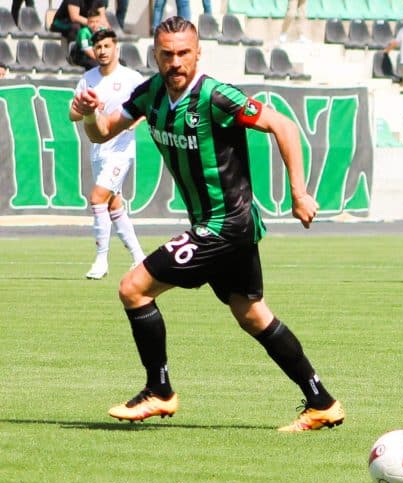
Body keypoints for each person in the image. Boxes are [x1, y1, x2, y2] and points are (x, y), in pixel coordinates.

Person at [72, 16, 345, 432]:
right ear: (155, 55)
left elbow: (283, 125)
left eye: (184, 53)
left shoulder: (216, 97)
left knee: (133, 288)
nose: (176, 62)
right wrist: (88, 115)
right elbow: (104, 130)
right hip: (219, 225)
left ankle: (159, 391)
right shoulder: (150, 95)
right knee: (252, 314)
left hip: (226, 224)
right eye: (167, 54)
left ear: (198, 53)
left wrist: (299, 192)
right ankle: (321, 402)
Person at [69, 27, 147, 279]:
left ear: (116, 48)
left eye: (107, 46)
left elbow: (149, 102)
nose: (102, 51)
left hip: (121, 150)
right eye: (98, 47)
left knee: (97, 198)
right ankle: (139, 257)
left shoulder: (131, 77)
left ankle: (101, 260)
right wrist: (88, 108)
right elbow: (72, 114)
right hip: (98, 150)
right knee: (114, 204)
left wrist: (135, 120)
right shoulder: (88, 79)